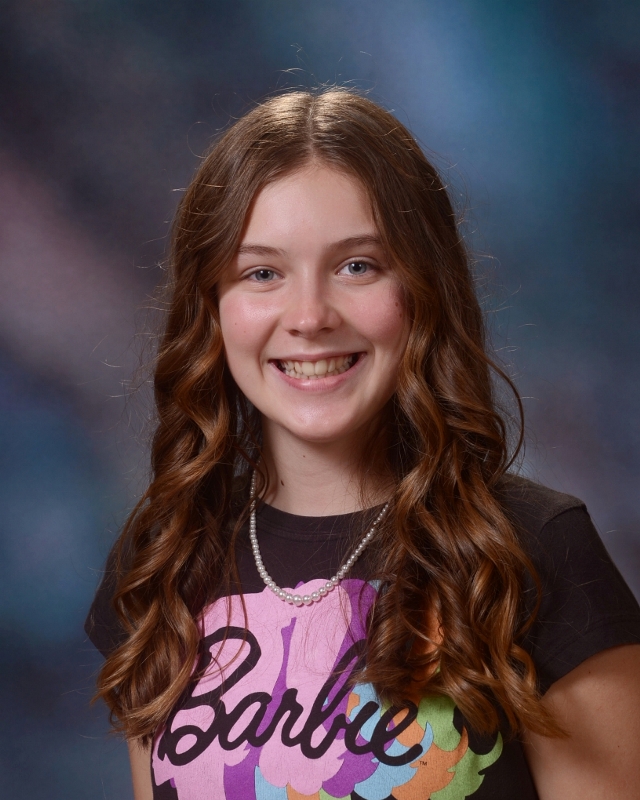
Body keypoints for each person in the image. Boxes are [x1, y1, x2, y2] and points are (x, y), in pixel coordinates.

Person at [85, 89, 640, 800]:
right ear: (212, 307)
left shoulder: (534, 550)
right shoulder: (162, 558)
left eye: (357, 266)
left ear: (424, 289)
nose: (309, 316)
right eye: (262, 273)